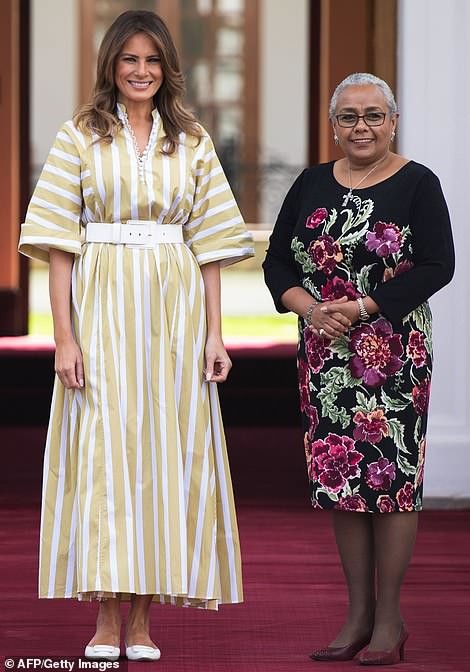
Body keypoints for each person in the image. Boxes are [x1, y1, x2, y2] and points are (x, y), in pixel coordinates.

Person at [19, 10, 253, 662]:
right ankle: (104, 618)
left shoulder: (192, 140)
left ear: (167, 67)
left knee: (164, 455)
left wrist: (215, 334)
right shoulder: (78, 135)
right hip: (100, 305)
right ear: (112, 65)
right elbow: (58, 246)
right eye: (130, 59)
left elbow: (210, 247)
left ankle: (144, 621)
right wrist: (64, 338)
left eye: (152, 60)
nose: (141, 71)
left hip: (174, 308)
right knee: (104, 453)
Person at [263, 72, 454, 665]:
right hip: (325, 353)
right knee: (340, 478)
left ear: (393, 122)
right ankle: (357, 616)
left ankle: (390, 618)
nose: (361, 126)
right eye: (348, 116)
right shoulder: (311, 182)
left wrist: (364, 307)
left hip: (393, 352)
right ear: (333, 126)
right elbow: (276, 264)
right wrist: (311, 310)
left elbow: (438, 265)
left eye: (374, 115)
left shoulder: (419, 182)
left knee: (391, 481)